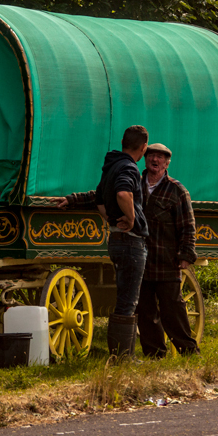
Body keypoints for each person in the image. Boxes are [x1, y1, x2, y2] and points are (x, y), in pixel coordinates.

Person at [58, 125, 149, 357]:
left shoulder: (112, 165)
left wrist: (108, 218)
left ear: (122, 141)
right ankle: (122, 357)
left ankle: (121, 354)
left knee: (124, 296)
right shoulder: (129, 167)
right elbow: (123, 194)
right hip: (130, 241)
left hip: (115, 239)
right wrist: (130, 218)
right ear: (144, 147)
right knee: (128, 300)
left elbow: (99, 197)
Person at [136, 143, 199, 357]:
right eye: (151, 156)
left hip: (166, 261)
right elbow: (105, 194)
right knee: (145, 311)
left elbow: (188, 226)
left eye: (160, 158)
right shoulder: (134, 183)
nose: (155, 160)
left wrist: (186, 255)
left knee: (173, 310)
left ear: (167, 163)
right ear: (145, 159)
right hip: (140, 260)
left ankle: (189, 352)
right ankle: (154, 355)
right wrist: (71, 200)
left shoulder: (177, 190)